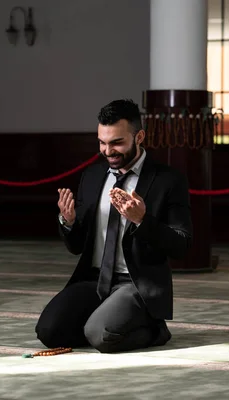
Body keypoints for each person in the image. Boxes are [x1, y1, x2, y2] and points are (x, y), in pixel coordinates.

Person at [35, 99, 193, 353]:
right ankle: (107, 317)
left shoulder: (168, 181)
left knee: (100, 336)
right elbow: (77, 247)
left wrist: (143, 220)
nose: (108, 151)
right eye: (102, 142)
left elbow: (182, 245)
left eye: (117, 142)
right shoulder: (93, 176)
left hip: (136, 283)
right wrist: (69, 221)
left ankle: (156, 329)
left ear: (139, 136)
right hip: (95, 279)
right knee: (49, 332)